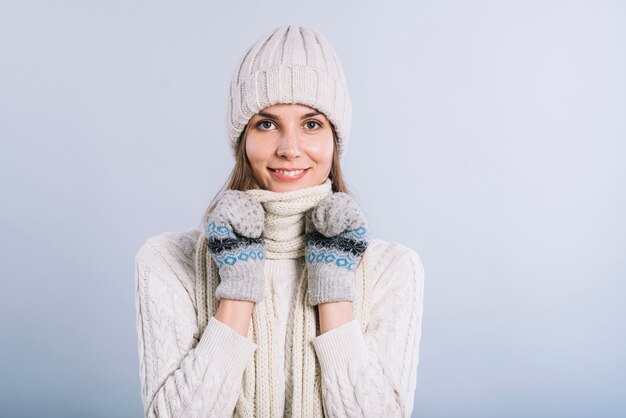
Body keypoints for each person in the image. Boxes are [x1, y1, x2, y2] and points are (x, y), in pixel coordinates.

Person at [134, 25, 425, 418]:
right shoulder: (167, 261)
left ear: (335, 140)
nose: (289, 149)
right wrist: (237, 288)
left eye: (312, 124)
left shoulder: (393, 268)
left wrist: (334, 289)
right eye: (267, 124)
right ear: (242, 140)